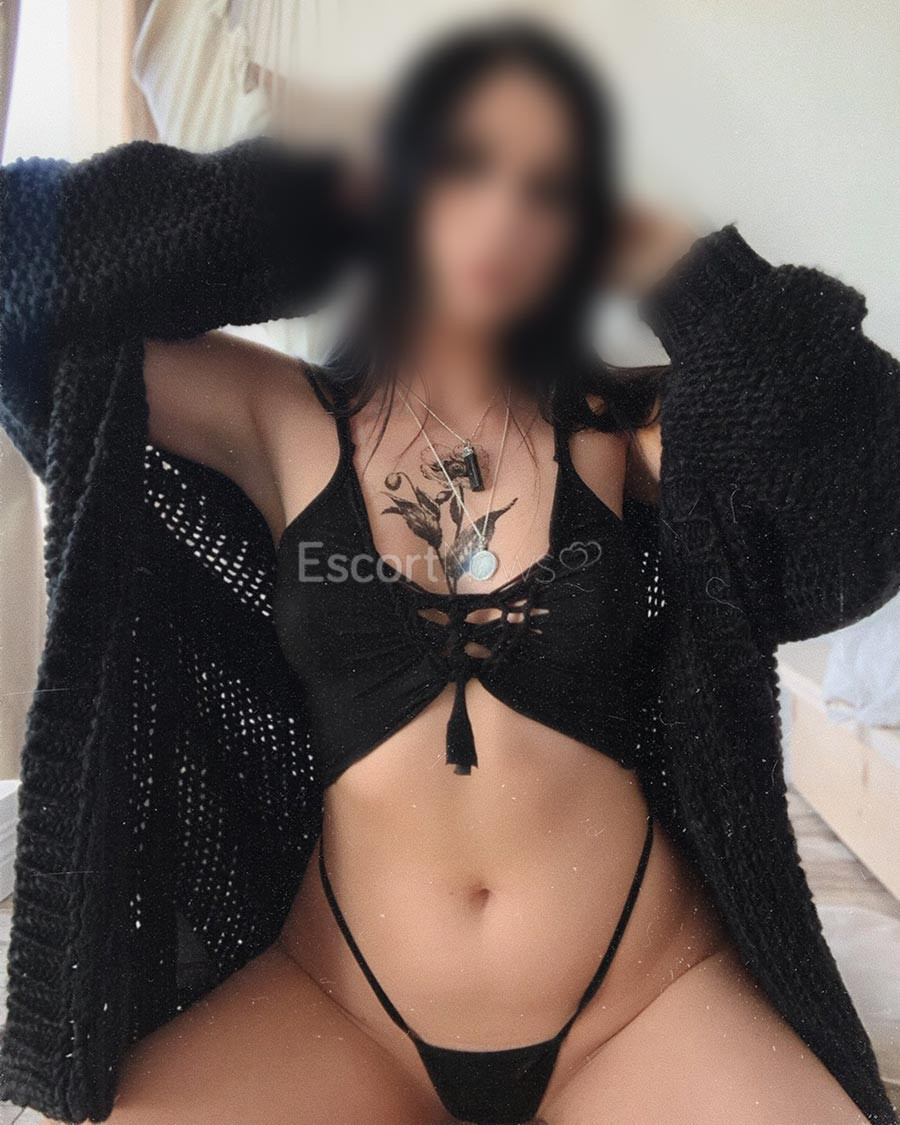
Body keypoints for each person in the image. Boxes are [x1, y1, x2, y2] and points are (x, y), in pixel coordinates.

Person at [1, 19, 897, 1125]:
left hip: (641, 998)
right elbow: (18, 286)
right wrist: (302, 205)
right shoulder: (276, 417)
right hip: (343, 1006)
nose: (504, 214)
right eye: (467, 165)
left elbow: (867, 512)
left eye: (548, 187)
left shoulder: (626, 430)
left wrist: (690, 271)